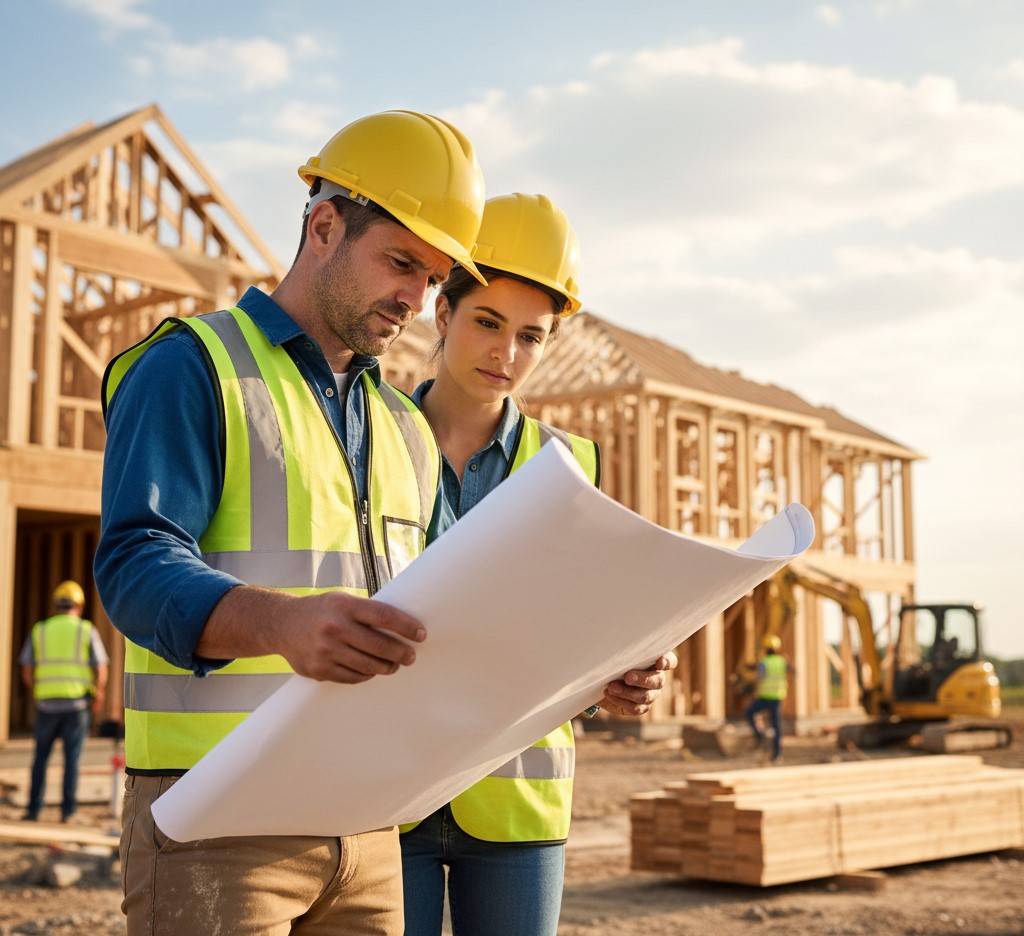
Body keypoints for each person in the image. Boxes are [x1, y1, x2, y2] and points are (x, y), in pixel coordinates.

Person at [94, 110, 486, 936]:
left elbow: (467, 597)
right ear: (324, 226)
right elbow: (133, 564)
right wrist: (280, 621)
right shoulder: (193, 364)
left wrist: (598, 673)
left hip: (370, 825)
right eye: (401, 262)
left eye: (434, 278)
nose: (416, 298)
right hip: (217, 822)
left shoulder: (405, 429)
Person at [400, 193, 678, 936]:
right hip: (387, 789)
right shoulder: (369, 440)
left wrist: (616, 681)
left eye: (532, 336)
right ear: (442, 314)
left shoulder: (569, 466)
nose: (507, 354)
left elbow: (577, 634)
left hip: (515, 802)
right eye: (488, 322)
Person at [19, 579, 109, 823]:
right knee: (72, 760)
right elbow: (101, 667)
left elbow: (27, 667)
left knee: (40, 758)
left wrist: (38, 689)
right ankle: (67, 812)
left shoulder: (40, 629)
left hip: (46, 704)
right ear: (79, 605)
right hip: (76, 705)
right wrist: (98, 693)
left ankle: (33, 810)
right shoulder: (85, 629)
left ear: (56, 604)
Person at [744, 634, 792, 762]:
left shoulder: (764, 662)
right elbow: (793, 670)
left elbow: (760, 676)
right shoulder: (782, 661)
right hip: (777, 698)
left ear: (766, 648)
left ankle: (759, 736)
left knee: (749, 713)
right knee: (776, 726)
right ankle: (777, 754)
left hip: (764, 697)